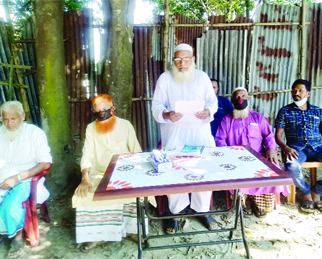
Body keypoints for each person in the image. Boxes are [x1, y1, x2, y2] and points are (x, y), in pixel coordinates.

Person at [152, 43, 218, 234]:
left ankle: (203, 211)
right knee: (174, 171)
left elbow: (212, 103)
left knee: (203, 169)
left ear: (193, 59)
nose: (182, 64)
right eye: (178, 60)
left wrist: (207, 111)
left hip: (200, 132)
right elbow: (156, 104)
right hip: (174, 132)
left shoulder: (202, 77)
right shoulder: (165, 78)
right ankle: (176, 213)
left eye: (186, 60)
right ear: (173, 60)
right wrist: (166, 114)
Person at [72, 94, 142, 251]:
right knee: (85, 194)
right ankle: (98, 235)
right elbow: (87, 154)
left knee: (134, 191)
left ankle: (131, 230)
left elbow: (136, 151)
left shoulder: (126, 125)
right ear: (93, 111)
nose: (101, 113)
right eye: (97, 111)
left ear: (113, 109)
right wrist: (85, 178)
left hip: (126, 170)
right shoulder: (91, 128)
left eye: (105, 110)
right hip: (100, 172)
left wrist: (136, 172)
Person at [0, 101, 52, 258]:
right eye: (5, 119)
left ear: (23, 116)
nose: (9, 123)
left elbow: (45, 162)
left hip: (24, 180)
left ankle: (17, 237)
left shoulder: (34, 133)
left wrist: (17, 178)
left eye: (13, 118)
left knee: (10, 205)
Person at [275, 79, 322, 214]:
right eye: (294, 90)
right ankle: (306, 192)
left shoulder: (317, 111)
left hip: (318, 147)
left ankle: (318, 190)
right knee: (291, 166)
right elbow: (278, 135)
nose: (296, 93)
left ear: (308, 93)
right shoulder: (285, 111)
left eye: (300, 90)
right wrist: (286, 148)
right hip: (296, 149)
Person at [215, 87, 290, 217]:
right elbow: (220, 140)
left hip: (258, 156)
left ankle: (261, 203)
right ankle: (244, 202)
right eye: (237, 97)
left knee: (271, 170)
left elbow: (269, 136)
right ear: (232, 101)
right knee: (234, 172)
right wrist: (228, 156)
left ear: (248, 99)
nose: (240, 99)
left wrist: (271, 149)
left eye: (243, 96)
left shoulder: (258, 117)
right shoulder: (226, 120)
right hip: (235, 158)